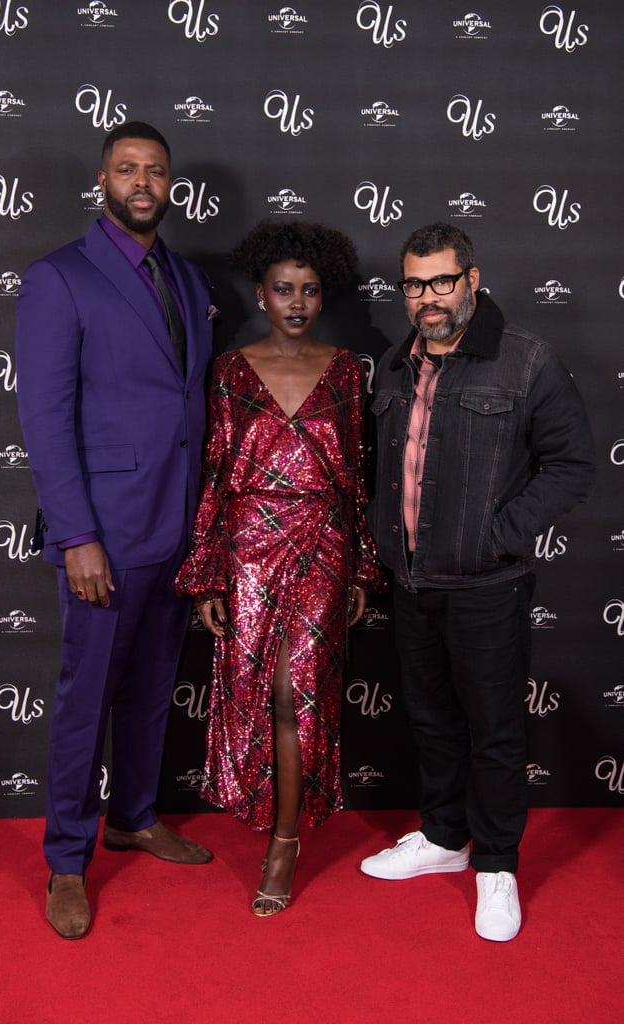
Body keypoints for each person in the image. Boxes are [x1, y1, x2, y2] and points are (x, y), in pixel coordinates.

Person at [360, 222, 595, 941]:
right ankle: (442, 837)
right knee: (430, 720)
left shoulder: (524, 362)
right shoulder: (394, 366)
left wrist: (493, 537)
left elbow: (570, 464)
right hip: (410, 581)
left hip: (487, 586)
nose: (426, 298)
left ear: (470, 279)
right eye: (412, 284)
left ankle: (495, 864)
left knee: (493, 732)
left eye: (439, 281)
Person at [15, 121, 216, 940]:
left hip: (175, 525)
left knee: (149, 689)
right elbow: (45, 417)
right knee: (83, 699)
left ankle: (133, 815)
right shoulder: (59, 278)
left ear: (170, 185)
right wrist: (75, 536)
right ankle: (67, 857)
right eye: (127, 168)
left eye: (156, 171)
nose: (142, 181)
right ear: (104, 179)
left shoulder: (187, 276)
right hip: (103, 532)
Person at [175, 220, 381, 917]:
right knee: (256, 695)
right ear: (260, 294)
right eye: (283, 289)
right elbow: (213, 476)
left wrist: (359, 568)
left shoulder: (347, 370)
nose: (296, 301)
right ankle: (274, 822)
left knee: (298, 697)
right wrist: (206, 574)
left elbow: (356, 478)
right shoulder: (231, 373)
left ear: (322, 297)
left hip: (322, 543)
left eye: (309, 290)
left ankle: (283, 843)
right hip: (249, 550)